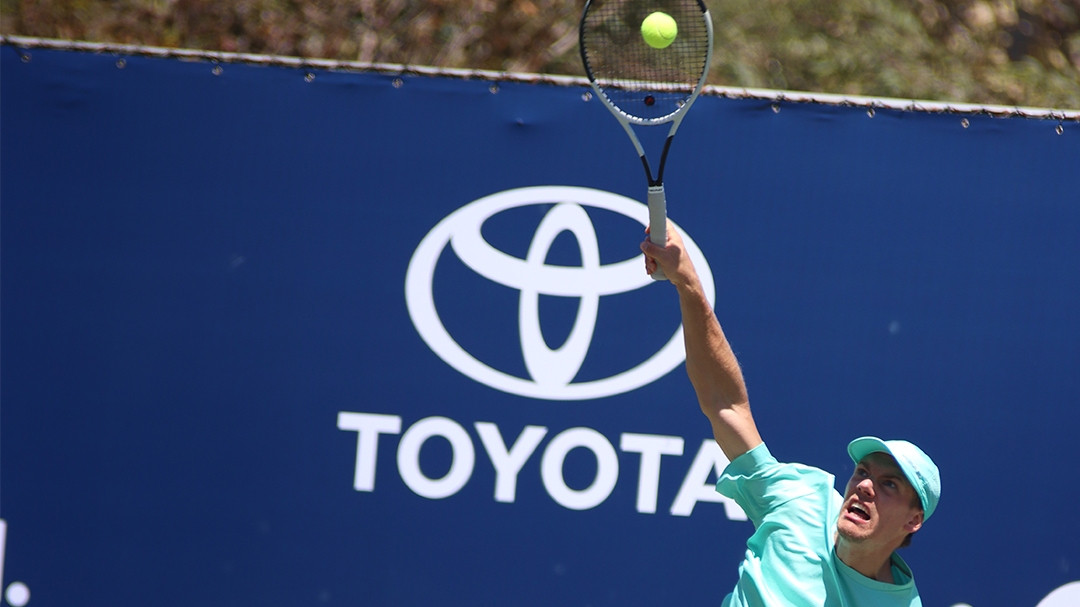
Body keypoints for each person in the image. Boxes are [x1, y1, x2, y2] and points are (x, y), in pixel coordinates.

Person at [641, 228, 941, 606]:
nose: (864, 486)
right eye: (863, 472)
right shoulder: (804, 499)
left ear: (913, 521)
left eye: (889, 485)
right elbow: (725, 404)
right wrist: (686, 280)